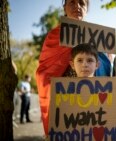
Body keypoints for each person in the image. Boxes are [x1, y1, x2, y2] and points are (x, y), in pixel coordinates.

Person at [36, 0, 111, 136]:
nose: (77, 6)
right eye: (72, 2)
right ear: (64, 7)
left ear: (87, 9)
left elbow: (105, 67)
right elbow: (45, 71)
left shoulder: (98, 36)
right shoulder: (54, 35)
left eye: (82, 3)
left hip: (92, 101)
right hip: (65, 101)